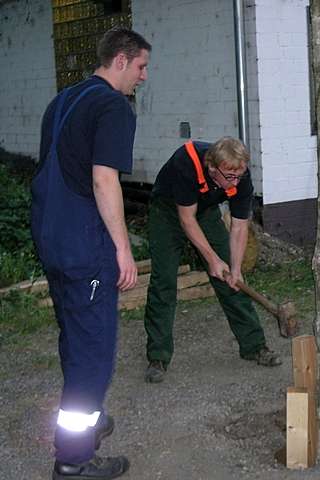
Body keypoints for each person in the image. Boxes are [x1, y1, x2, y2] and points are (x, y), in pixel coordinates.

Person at [31, 27, 151, 479]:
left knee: (73, 334)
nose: (142, 77)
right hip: (84, 246)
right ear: (120, 60)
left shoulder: (64, 100)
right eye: (141, 67)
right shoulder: (112, 106)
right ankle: (73, 461)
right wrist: (123, 248)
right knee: (93, 352)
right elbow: (104, 180)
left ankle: (89, 421)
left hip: (51, 236)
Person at [143, 137, 281, 384]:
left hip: (204, 212)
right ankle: (158, 356)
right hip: (167, 212)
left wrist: (235, 268)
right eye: (229, 176)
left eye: (239, 175)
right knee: (163, 281)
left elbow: (239, 227)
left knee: (231, 281)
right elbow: (186, 220)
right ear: (212, 169)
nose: (235, 182)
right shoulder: (186, 163)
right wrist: (212, 260)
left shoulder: (240, 176)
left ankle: (254, 346)